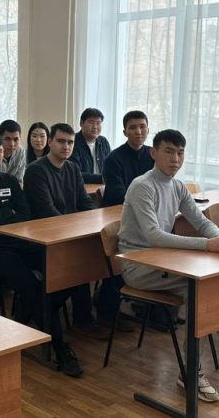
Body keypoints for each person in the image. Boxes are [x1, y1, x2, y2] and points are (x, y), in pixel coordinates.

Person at [118, 129, 219, 403]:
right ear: (153, 153)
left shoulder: (177, 186)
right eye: (169, 152)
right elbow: (153, 236)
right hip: (138, 265)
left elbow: (201, 221)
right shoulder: (143, 185)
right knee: (200, 290)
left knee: (214, 285)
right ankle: (197, 369)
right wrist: (207, 245)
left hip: (163, 260)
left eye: (180, 153)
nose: (175, 159)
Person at [0, 131, 84, 377]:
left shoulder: (10, 180)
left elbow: (26, 213)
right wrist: (9, 214)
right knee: (31, 287)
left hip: (22, 242)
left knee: (67, 271)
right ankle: (60, 348)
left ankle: (25, 314)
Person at [24, 123, 100, 334]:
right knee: (79, 261)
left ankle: (83, 317)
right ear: (50, 142)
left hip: (68, 236)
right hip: (43, 239)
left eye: (70, 142)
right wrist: (76, 231)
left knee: (94, 256)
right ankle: (42, 310)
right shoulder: (36, 170)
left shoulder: (72, 168)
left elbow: (84, 202)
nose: (66, 146)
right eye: (61, 141)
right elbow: (47, 212)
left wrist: (95, 221)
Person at [96, 110, 153, 327]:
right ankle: (107, 310)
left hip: (146, 216)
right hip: (118, 218)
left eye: (142, 126)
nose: (138, 131)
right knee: (117, 263)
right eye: (133, 128)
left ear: (148, 129)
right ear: (124, 132)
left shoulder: (153, 155)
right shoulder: (114, 158)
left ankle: (151, 308)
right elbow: (119, 193)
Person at [69, 108, 111, 184]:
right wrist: (102, 178)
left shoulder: (103, 142)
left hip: (102, 187)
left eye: (98, 123)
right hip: (81, 187)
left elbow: (111, 167)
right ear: (81, 123)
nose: (95, 127)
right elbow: (74, 173)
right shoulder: (72, 142)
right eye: (91, 122)